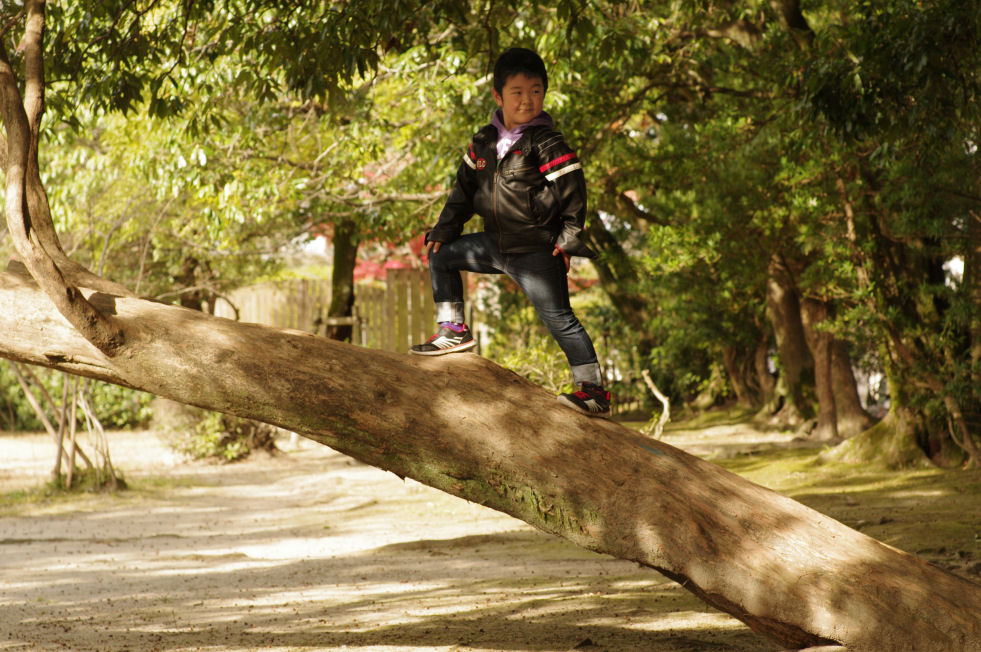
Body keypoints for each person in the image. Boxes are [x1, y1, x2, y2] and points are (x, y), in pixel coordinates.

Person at [409, 47, 611, 417]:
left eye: (536, 91)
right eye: (517, 92)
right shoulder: (483, 141)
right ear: (498, 96)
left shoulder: (546, 143)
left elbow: (574, 195)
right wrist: (445, 228)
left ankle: (593, 391)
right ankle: (453, 329)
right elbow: (464, 192)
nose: (528, 100)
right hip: (492, 245)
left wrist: (567, 242)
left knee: (561, 320)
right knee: (439, 253)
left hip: (537, 250)